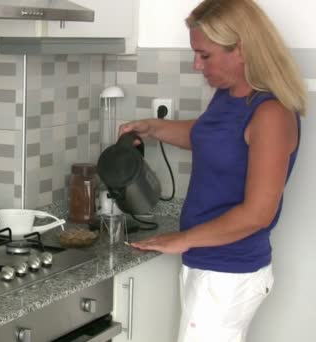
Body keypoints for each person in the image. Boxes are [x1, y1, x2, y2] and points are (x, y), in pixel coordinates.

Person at [119, 0, 307, 341]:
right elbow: (212, 138)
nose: (196, 64)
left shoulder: (271, 114)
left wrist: (182, 240)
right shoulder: (230, 95)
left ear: (242, 49)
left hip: (229, 272)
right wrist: (155, 127)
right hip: (208, 262)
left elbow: (258, 214)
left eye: (205, 55)